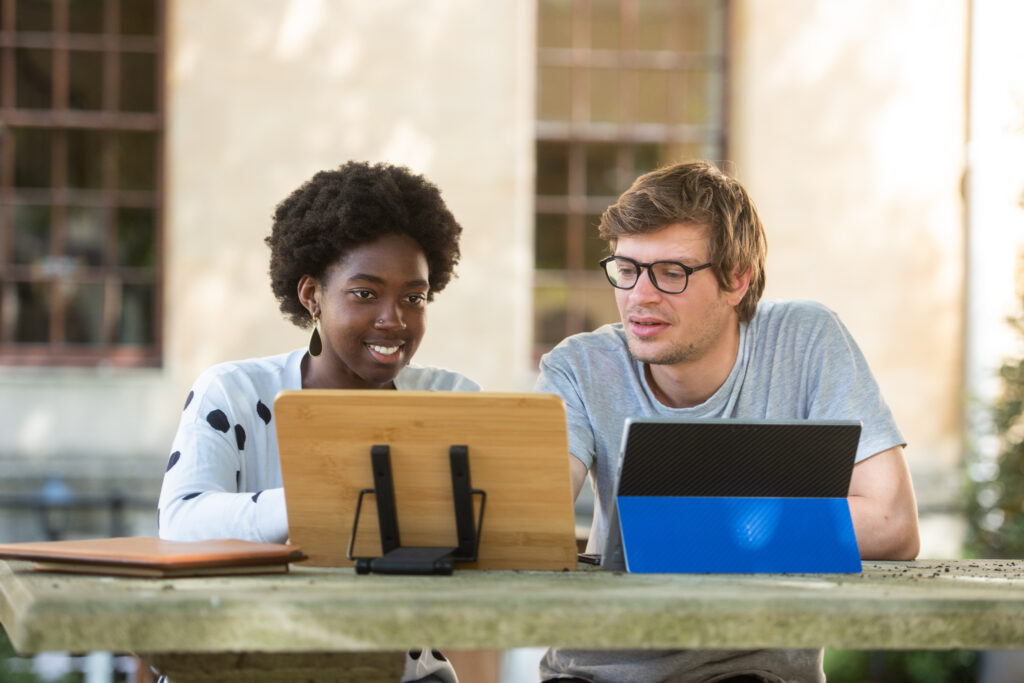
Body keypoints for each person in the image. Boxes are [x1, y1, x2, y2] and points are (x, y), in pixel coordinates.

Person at [534, 160, 920, 683]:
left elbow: (893, 525)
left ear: (738, 280)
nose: (639, 297)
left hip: (757, 673)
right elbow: (530, 521)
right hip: (598, 672)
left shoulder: (807, 339)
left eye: (672, 273)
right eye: (627, 270)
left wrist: (678, 530)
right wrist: (756, 529)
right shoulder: (579, 365)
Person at [157, 160, 473, 683]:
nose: (393, 318)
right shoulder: (234, 393)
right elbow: (182, 524)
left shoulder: (452, 401)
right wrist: (324, 503)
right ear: (312, 296)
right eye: (365, 293)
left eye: (413, 298)